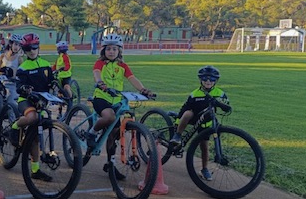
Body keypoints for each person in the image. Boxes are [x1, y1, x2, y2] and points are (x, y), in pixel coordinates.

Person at [85, 33, 154, 178]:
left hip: (116, 100)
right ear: (104, 50)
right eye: (108, 49)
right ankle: (92, 132)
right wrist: (100, 83)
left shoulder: (122, 66)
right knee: (109, 117)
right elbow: (96, 73)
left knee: (114, 133)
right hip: (102, 97)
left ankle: (110, 165)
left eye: (114, 49)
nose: (111, 52)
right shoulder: (100, 63)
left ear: (119, 51)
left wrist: (143, 90)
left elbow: (132, 78)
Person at [169, 65, 230, 181]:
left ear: (216, 81)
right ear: (200, 79)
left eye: (212, 79)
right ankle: (178, 135)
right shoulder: (194, 94)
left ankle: (204, 169)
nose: (208, 81)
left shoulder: (220, 93)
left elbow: (226, 104)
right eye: (205, 78)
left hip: (207, 122)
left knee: (204, 147)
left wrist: (226, 107)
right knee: (187, 113)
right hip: (194, 117)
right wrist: (177, 122)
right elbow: (184, 108)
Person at [10, 33, 54, 182]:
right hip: (26, 101)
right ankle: (16, 125)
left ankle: (35, 170)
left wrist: (58, 86)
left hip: (41, 101)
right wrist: (25, 89)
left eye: (34, 47)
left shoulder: (46, 64)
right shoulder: (23, 68)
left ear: (38, 47)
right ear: (24, 50)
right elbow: (19, 87)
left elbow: (51, 81)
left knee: (35, 136)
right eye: (28, 49)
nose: (32, 51)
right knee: (32, 118)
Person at [0, 34, 24, 106]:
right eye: (16, 44)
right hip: (2, 84)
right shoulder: (2, 56)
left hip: (12, 85)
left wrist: (14, 75)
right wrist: (0, 73)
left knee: (11, 103)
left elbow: (22, 74)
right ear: (10, 44)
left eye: (19, 45)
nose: (17, 47)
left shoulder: (19, 59)